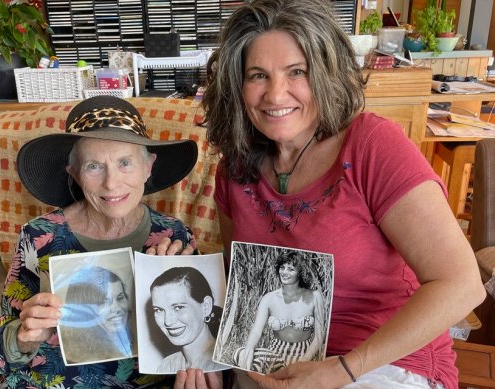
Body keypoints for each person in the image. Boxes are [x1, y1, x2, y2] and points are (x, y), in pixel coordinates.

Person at [202, 1, 486, 388]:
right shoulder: (234, 169)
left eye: (296, 72)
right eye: (257, 75)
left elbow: (462, 284)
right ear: (237, 85)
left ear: (325, 74)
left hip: (381, 361)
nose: (275, 93)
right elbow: (244, 282)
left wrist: (342, 370)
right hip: (273, 359)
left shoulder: (372, 145)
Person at [0, 95, 213, 388]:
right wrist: (23, 336)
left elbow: (205, 336)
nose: (111, 183)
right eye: (94, 166)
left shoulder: (175, 237)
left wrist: (172, 276)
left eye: (125, 162)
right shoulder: (39, 237)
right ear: (74, 173)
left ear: (148, 167)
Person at [235, 251, 326, 373]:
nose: (284, 272)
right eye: (282, 268)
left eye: (291, 269)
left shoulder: (314, 296)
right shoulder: (269, 298)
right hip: (275, 351)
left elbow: (319, 336)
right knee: (240, 353)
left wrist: (304, 361)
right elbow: (256, 330)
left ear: (300, 273)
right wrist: (249, 350)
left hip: (303, 352)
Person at [149, 266, 226, 373]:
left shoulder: (224, 364)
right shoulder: (167, 365)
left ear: (206, 307)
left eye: (178, 307)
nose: (168, 321)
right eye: (159, 310)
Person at [58, 266, 133, 365]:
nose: (117, 308)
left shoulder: (138, 337)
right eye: (103, 302)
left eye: (120, 298)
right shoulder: (77, 357)